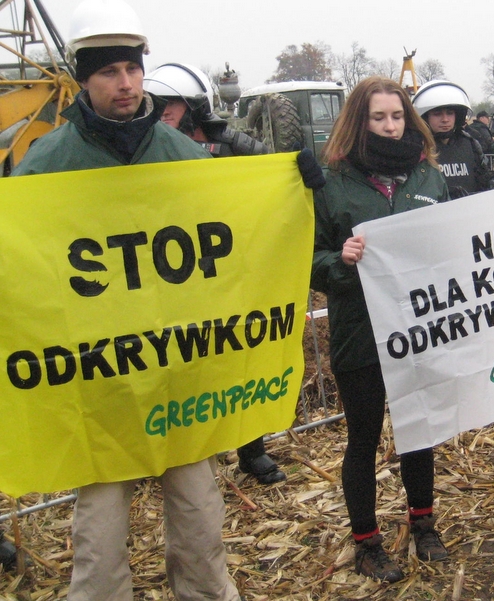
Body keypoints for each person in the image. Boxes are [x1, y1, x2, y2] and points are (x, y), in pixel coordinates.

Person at [12, 2, 242, 599]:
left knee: (199, 518)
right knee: (100, 531)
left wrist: (293, 183)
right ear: (85, 79)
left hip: (178, 372)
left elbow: (229, 231)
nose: (126, 83)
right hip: (99, 378)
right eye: (110, 72)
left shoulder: (181, 154)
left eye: (134, 70)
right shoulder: (47, 164)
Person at [143, 62, 325, 486]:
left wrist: (297, 167)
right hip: (171, 278)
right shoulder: (145, 150)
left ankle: (251, 449)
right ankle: (170, 454)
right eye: (158, 104)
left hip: (230, 275)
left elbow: (272, 169)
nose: (164, 111)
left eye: (172, 103)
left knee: (239, 361)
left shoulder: (224, 143)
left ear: (192, 105)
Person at [310, 76, 450, 583]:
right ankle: (367, 542)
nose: (390, 127)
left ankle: (423, 523)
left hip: (418, 330)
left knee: (419, 432)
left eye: (397, 116)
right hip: (360, 333)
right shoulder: (332, 182)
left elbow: (452, 242)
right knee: (363, 438)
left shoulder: (429, 177)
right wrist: (339, 261)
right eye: (378, 117)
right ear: (359, 121)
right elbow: (312, 258)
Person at [412, 80, 494, 198]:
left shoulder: (470, 144)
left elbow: (481, 173)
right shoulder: (417, 148)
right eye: (437, 114)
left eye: (449, 113)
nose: (445, 119)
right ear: (425, 117)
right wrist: (444, 195)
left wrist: (492, 180)